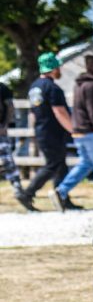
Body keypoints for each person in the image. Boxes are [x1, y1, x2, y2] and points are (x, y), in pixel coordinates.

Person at [51, 55, 93, 211]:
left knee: (85, 164)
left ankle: (61, 191)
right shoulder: (91, 87)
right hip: (89, 132)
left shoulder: (79, 85)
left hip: (78, 131)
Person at [22, 52, 76, 210]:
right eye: (58, 67)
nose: (60, 70)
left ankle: (63, 198)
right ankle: (27, 193)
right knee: (53, 164)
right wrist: (73, 130)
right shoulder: (52, 88)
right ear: (52, 68)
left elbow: (32, 112)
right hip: (53, 133)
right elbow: (59, 112)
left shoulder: (34, 87)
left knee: (61, 165)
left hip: (42, 131)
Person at [0, 79, 34, 210]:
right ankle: (18, 189)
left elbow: (10, 107)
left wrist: (4, 125)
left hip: (1, 129)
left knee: (7, 161)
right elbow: (10, 107)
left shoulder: (2, 88)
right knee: (7, 161)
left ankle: (18, 190)